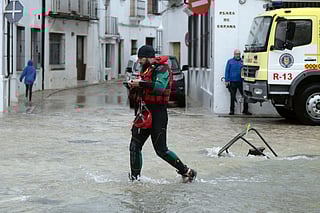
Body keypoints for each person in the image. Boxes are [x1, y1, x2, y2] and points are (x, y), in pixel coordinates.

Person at [127, 45, 197, 182]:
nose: (139, 62)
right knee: (134, 146)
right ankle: (135, 179)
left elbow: (159, 88)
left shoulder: (163, 69)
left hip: (158, 114)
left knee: (161, 150)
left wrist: (140, 84)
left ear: (147, 57)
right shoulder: (147, 69)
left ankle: (186, 171)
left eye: (141, 59)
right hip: (145, 113)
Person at [225, 49, 251, 115]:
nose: (238, 55)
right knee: (232, 96)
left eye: (239, 54)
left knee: (245, 96)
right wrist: (227, 80)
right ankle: (232, 110)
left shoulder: (242, 62)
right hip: (233, 81)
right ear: (234, 54)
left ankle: (245, 110)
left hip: (241, 81)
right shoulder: (230, 61)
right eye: (236, 54)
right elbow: (227, 71)